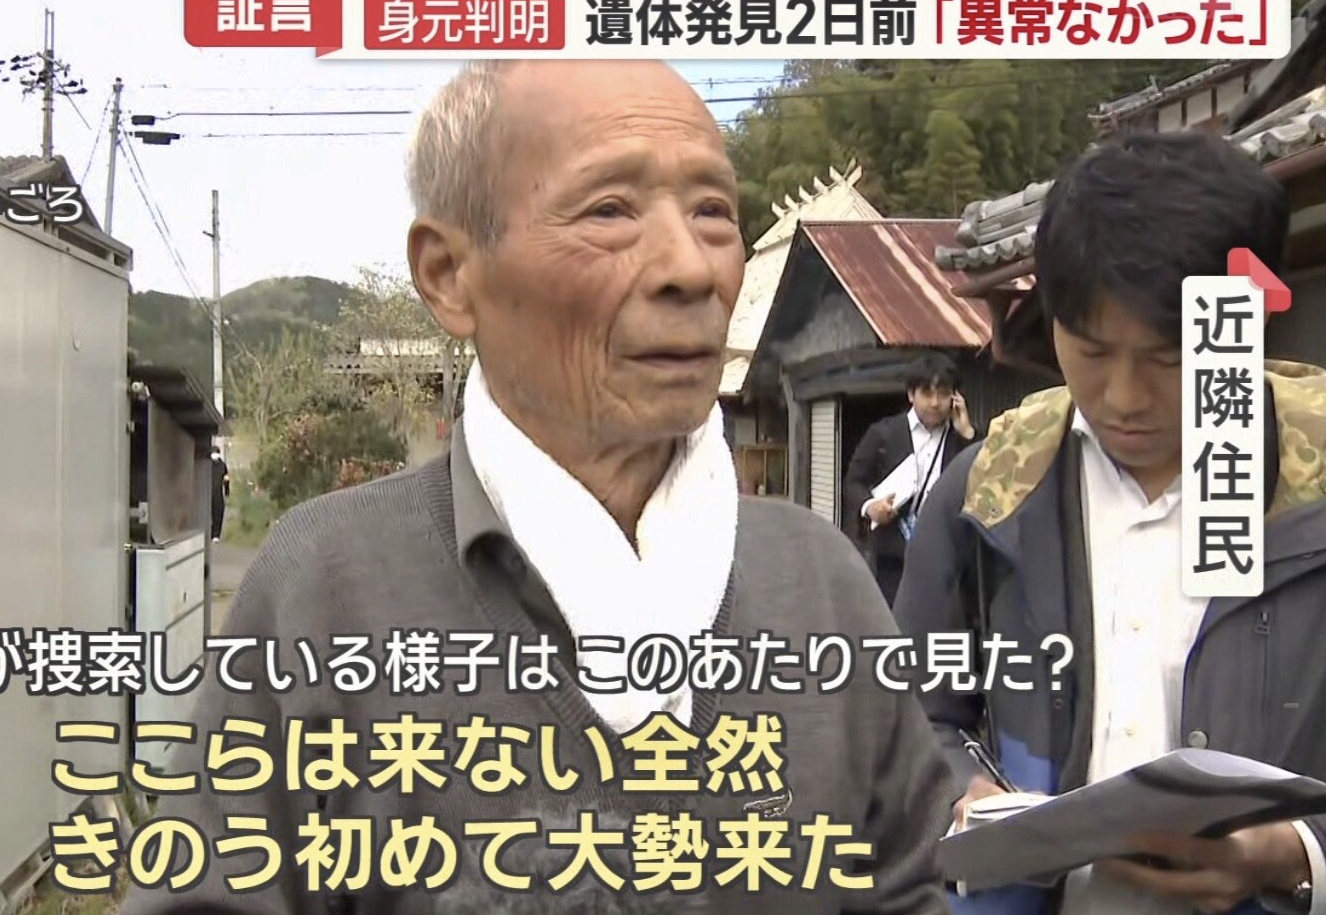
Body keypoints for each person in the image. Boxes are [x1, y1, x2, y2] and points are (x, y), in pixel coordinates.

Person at [122, 59, 954, 914]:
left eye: (711, 211)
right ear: (449, 274)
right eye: (609, 211)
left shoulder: (820, 582)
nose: (691, 267)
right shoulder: (325, 587)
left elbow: (911, 887)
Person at [894, 130, 1326, 915]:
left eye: (1166, 358)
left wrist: (1295, 851)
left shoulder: (1313, 486)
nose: (1123, 397)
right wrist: (961, 791)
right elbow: (915, 710)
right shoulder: (990, 490)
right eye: (1090, 352)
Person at [842, 354, 977, 605]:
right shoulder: (884, 434)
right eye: (927, 393)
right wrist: (870, 507)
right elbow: (853, 481)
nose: (935, 403)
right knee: (894, 620)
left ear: (955, 397)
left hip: (946, 557)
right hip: (894, 557)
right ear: (911, 394)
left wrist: (967, 434)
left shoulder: (962, 438)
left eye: (943, 394)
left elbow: (984, 483)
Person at [210, 446, 229, 541]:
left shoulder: (222, 466)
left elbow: (226, 479)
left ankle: (216, 534)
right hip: (209, 492)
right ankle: (211, 533)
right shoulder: (208, 464)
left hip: (217, 493)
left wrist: (227, 491)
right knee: (210, 514)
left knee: (217, 513)